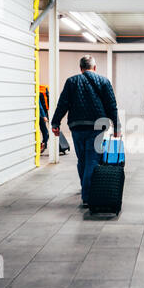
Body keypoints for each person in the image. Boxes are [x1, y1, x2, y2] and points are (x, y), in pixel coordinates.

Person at [51, 55, 121, 208]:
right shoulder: (103, 81)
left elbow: (62, 103)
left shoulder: (71, 81)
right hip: (97, 127)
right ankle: (87, 196)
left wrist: (55, 122)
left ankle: (85, 187)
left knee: (82, 159)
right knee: (92, 160)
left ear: (80, 68)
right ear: (94, 68)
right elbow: (111, 105)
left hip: (77, 127)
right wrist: (117, 126)